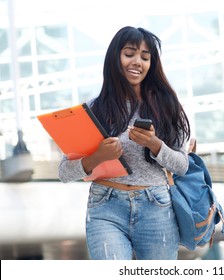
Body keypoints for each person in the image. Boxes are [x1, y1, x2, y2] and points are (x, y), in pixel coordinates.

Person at [58, 26, 191, 260]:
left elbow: (182, 165)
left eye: (145, 57)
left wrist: (154, 144)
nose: (137, 62)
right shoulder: (93, 108)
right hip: (105, 207)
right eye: (129, 54)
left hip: (156, 207)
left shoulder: (168, 106)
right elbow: (64, 173)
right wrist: (98, 156)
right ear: (115, 58)